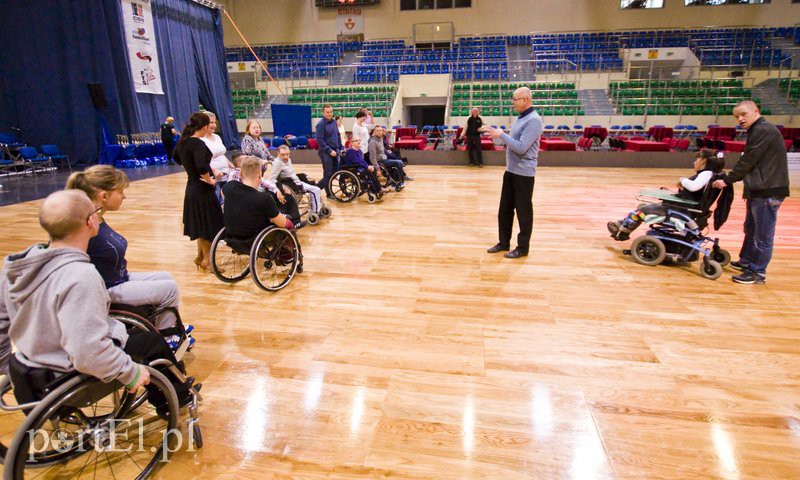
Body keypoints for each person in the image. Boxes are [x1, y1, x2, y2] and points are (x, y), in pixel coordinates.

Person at [0, 190, 191, 414]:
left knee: (135, 334)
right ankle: (176, 400)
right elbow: (88, 353)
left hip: (27, 373)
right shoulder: (81, 277)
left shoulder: (17, 267)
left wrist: (8, 366)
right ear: (91, 221)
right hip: (62, 378)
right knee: (151, 342)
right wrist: (131, 373)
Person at [65, 165, 184, 332]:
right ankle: (167, 335)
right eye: (120, 192)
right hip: (106, 288)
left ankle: (160, 325)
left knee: (166, 276)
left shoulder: (97, 217)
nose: (124, 196)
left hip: (119, 277)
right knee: (169, 289)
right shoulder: (86, 226)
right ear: (104, 196)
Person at [711, 100, 790, 284]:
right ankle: (747, 261)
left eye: (743, 114)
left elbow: (748, 160)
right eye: (736, 116)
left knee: (762, 235)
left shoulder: (763, 130)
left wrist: (727, 180)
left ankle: (757, 273)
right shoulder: (758, 129)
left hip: (767, 190)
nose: (740, 119)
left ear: (756, 111)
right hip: (759, 190)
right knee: (751, 229)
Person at [607, 150, 725, 241]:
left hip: (682, 212)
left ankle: (622, 232)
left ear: (703, 161)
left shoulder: (706, 174)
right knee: (643, 207)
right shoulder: (710, 175)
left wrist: (682, 180)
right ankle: (620, 225)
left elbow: (694, 187)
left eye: (697, 160)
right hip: (685, 208)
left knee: (641, 210)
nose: (695, 162)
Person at [481, 87, 542, 259]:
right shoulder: (520, 118)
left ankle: (522, 248)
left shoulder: (534, 120)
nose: (513, 102)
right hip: (511, 171)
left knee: (523, 212)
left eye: (515, 99)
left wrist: (502, 135)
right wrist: (500, 136)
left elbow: (521, 148)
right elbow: (513, 142)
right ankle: (503, 242)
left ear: (526, 100)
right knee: (505, 210)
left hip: (524, 174)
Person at [174, 112, 224, 272]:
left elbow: (176, 158)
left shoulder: (184, 142)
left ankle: (201, 257)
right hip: (202, 190)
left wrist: (194, 170)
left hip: (191, 187)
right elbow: (202, 166)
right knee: (209, 226)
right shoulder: (197, 143)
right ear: (204, 126)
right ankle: (208, 262)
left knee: (201, 226)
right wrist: (209, 180)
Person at [222, 156, 294, 240]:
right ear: (260, 175)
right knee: (288, 224)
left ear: (241, 173)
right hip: (254, 238)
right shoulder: (264, 198)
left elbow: (222, 193)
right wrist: (290, 224)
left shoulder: (229, 186)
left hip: (231, 236)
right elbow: (282, 223)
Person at [227, 153, 302, 224]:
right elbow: (234, 191)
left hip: (256, 195)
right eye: (246, 159)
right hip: (252, 198)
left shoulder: (249, 172)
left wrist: (276, 190)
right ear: (239, 163)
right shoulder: (234, 174)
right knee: (270, 197)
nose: (248, 160)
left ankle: (293, 219)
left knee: (282, 191)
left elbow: (265, 182)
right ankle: (282, 216)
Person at [266, 145, 325, 217]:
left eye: (287, 154)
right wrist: (280, 188)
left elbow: (291, 174)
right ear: (277, 153)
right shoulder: (277, 163)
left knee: (310, 182)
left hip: (296, 181)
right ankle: (315, 212)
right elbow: (272, 179)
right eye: (282, 155)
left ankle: (316, 207)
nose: (285, 157)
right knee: (316, 190)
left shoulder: (288, 160)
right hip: (290, 184)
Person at [315, 105, 344, 199]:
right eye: (327, 112)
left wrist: (341, 147)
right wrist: (329, 150)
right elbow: (319, 140)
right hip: (325, 152)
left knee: (334, 172)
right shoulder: (320, 124)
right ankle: (329, 193)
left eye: (331, 112)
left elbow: (338, 135)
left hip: (335, 150)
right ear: (323, 113)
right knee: (328, 173)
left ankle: (317, 187)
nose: (329, 114)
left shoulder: (334, 122)